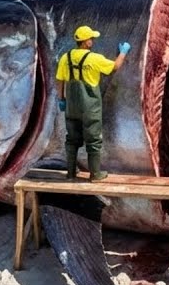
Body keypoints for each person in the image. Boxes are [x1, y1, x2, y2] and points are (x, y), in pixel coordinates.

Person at [55, 25, 130, 181]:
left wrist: (61, 99)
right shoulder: (94, 58)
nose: (93, 40)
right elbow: (114, 67)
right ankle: (95, 174)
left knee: (72, 138)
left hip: (71, 106)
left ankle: (70, 172)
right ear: (85, 42)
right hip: (90, 106)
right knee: (93, 139)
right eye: (91, 38)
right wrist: (123, 52)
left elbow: (60, 80)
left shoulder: (65, 58)